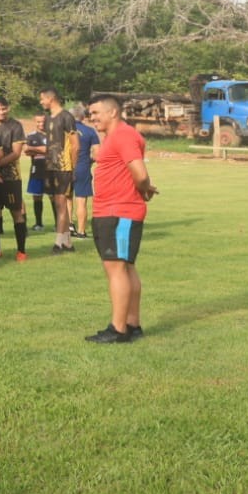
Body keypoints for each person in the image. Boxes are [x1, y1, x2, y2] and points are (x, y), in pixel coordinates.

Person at [84, 93, 156, 343]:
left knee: (116, 268)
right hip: (114, 211)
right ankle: (132, 324)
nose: (92, 118)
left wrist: (144, 187)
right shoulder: (116, 136)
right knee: (125, 267)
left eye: (95, 113)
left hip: (118, 212)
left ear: (112, 112)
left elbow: (140, 172)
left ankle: (118, 329)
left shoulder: (124, 135)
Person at [0, 96, 30, 263]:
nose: (1, 112)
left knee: (16, 213)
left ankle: (21, 251)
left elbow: (16, 153)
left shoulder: (15, 126)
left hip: (11, 178)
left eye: (4, 108)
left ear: (8, 108)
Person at [39, 88, 79, 253]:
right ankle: (68, 242)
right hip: (50, 166)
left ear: (51, 98)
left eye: (42, 99)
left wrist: (73, 168)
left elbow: (75, 145)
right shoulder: (48, 118)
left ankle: (58, 243)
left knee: (61, 202)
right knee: (57, 203)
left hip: (64, 166)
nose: (41, 102)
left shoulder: (66, 117)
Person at [72, 104, 100, 238]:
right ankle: (81, 231)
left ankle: (69, 225)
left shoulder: (64, 131)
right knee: (81, 201)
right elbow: (97, 154)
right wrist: (89, 161)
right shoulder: (90, 131)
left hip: (66, 167)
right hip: (82, 167)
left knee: (66, 198)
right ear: (83, 117)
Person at [24, 114, 50, 231]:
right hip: (36, 170)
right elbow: (26, 151)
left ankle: (58, 223)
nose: (41, 124)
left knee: (53, 197)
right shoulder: (31, 136)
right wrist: (44, 150)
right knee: (37, 197)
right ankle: (39, 223)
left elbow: (53, 150)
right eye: (38, 122)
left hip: (51, 170)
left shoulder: (53, 135)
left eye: (43, 121)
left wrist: (34, 149)